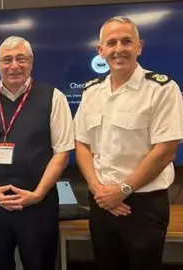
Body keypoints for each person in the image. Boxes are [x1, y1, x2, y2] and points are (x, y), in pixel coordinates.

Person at [74, 16, 183, 270]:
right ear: (101, 51)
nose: (118, 49)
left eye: (126, 41)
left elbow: (166, 150)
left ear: (139, 46)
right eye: (111, 43)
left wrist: (122, 190)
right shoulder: (91, 92)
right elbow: (81, 144)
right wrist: (98, 189)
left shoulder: (162, 89)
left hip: (142, 206)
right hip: (101, 203)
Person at [0, 36, 74, 270]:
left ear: (31, 62)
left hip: (37, 206)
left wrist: (38, 194)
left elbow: (62, 152)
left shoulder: (54, 98)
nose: (14, 65)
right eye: (7, 60)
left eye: (21, 59)